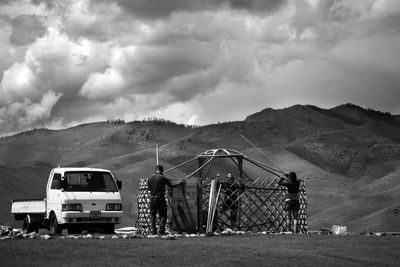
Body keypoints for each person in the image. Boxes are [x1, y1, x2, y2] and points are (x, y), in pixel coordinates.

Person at [147, 164, 184, 235]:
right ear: (161, 171)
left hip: (152, 199)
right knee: (163, 215)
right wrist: (180, 183)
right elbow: (171, 186)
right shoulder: (163, 178)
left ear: (155, 170)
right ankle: (161, 231)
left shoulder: (150, 178)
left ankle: (153, 231)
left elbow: (149, 189)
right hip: (160, 199)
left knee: (153, 215)